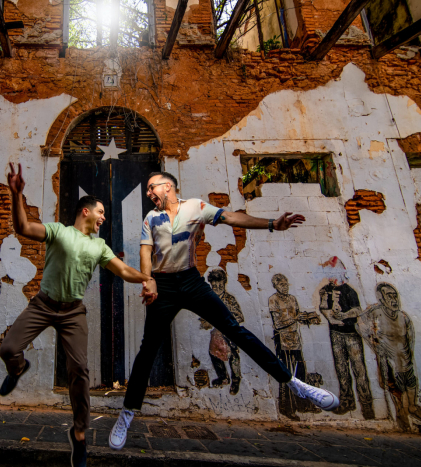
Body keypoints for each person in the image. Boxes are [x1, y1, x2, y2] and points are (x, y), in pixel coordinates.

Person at [109, 171, 340, 450]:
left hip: (192, 281)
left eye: (151, 188)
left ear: (167, 186)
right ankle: (127, 413)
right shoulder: (151, 218)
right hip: (164, 285)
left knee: (235, 331)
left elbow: (231, 217)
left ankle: (293, 383)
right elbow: (146, 252)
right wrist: (149, 281)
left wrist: (271, 224)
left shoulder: (196, 207)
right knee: (148, 349)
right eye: (147, 190)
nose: (148, 194)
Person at [0, 163, 157, 467]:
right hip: (43, 305)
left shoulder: (99, 246)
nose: (103, 218)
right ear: (86, 211)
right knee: (8, 349)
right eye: (101, 212)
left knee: (79, 373)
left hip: (73, 313)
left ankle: (80, 434)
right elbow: (23, 228)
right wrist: (16, 194)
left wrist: (146, 279)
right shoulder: (59, 231)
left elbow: (122, 270)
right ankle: (17, 369)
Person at [356, 283, 421, 431]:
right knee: (395, 387)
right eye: (389, 296)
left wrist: (409, 353)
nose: (394, 299)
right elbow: (359, 324)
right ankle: (402, 413)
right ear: (381, 299)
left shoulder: (403, 316)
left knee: (411, 383)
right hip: (388, 360)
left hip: (404, 357)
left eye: (395, 295)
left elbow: (410, 337)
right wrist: (374, 344)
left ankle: (413, 407)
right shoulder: (376, 313)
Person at [317, 258, 375, 419]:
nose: (329, 278)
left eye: (331, 274)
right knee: (341, 370)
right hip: (336, 334)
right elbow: (324, 308)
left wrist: (345, 314)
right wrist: (328, 311)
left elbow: (357, 310)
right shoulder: (326, 291)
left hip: (351, 334)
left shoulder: (349, 291)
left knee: (359, 370)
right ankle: (347, 401)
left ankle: (366, 404)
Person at [268, 273, 322, 420]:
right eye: (281, 285)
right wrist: (295, 318)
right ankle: (287, 408)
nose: (284, 287)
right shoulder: (273, 300)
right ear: (275, 286)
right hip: (283, 341)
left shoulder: (292, 298)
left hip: (295, 340)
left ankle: (303, 405)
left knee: (300, 374)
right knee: (286, 374)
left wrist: (307, 318)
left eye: (285, 284)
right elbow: (278, 324)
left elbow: (297, 317)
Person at [203, 268, 244, 395]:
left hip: (229, 333)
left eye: (219, 282)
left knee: (233, 355)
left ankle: (236, 379)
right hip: (216, 334)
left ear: (224, 282)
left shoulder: (229, 299)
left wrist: (227, 321)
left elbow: (239, 316)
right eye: (214, 283)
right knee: (213, 354)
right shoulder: (209, 299)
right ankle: (223, 377)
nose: (217, 285)